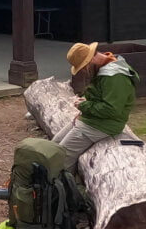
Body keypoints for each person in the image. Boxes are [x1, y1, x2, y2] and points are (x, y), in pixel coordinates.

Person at [52, 42, 140, 171]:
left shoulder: (115, 77)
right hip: (92, 120)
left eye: (84, 67)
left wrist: (84, 105)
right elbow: (102, 96)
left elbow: (112, 109)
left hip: (102, 125)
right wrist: (86, 100)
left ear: (91, 60)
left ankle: (63, 181)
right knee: (53, 146)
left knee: (60, 158)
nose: (84, 71)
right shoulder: (104, 68)